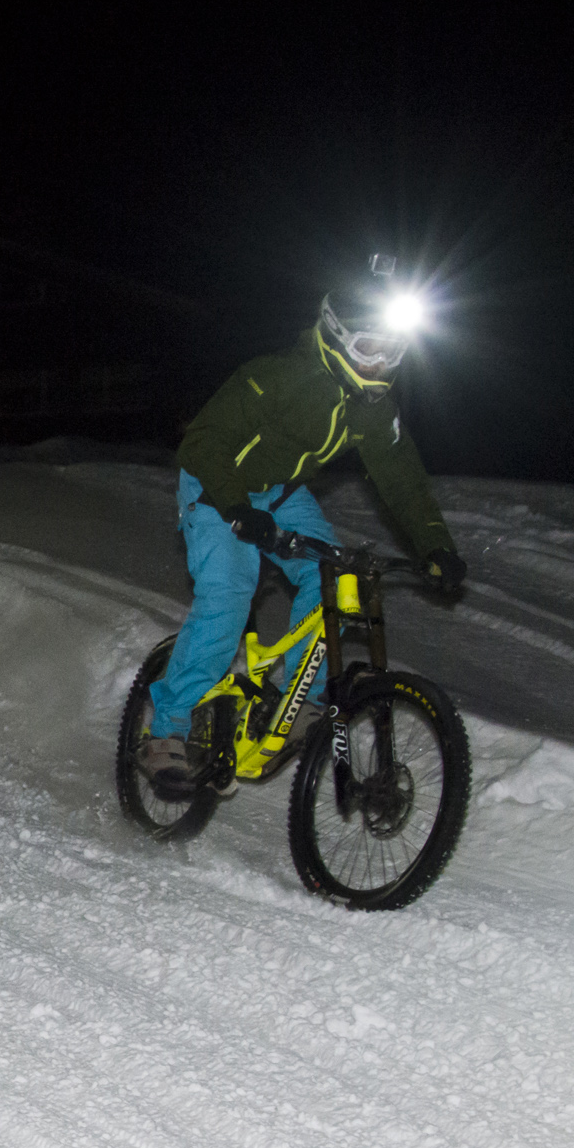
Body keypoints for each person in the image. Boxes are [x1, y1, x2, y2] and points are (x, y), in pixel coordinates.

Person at [137, 258, 467, 785]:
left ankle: (302, 704)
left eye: (392, 351)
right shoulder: (279, 377)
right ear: (336, 337)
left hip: (281, 493)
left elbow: (402, 477)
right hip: (216, 485)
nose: (380, 364)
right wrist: (238, 511)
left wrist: (434, 546)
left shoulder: (373, 406)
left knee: (338, 580)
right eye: (368, 349)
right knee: (230, 593)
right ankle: (167, 729)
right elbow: (203, 441)